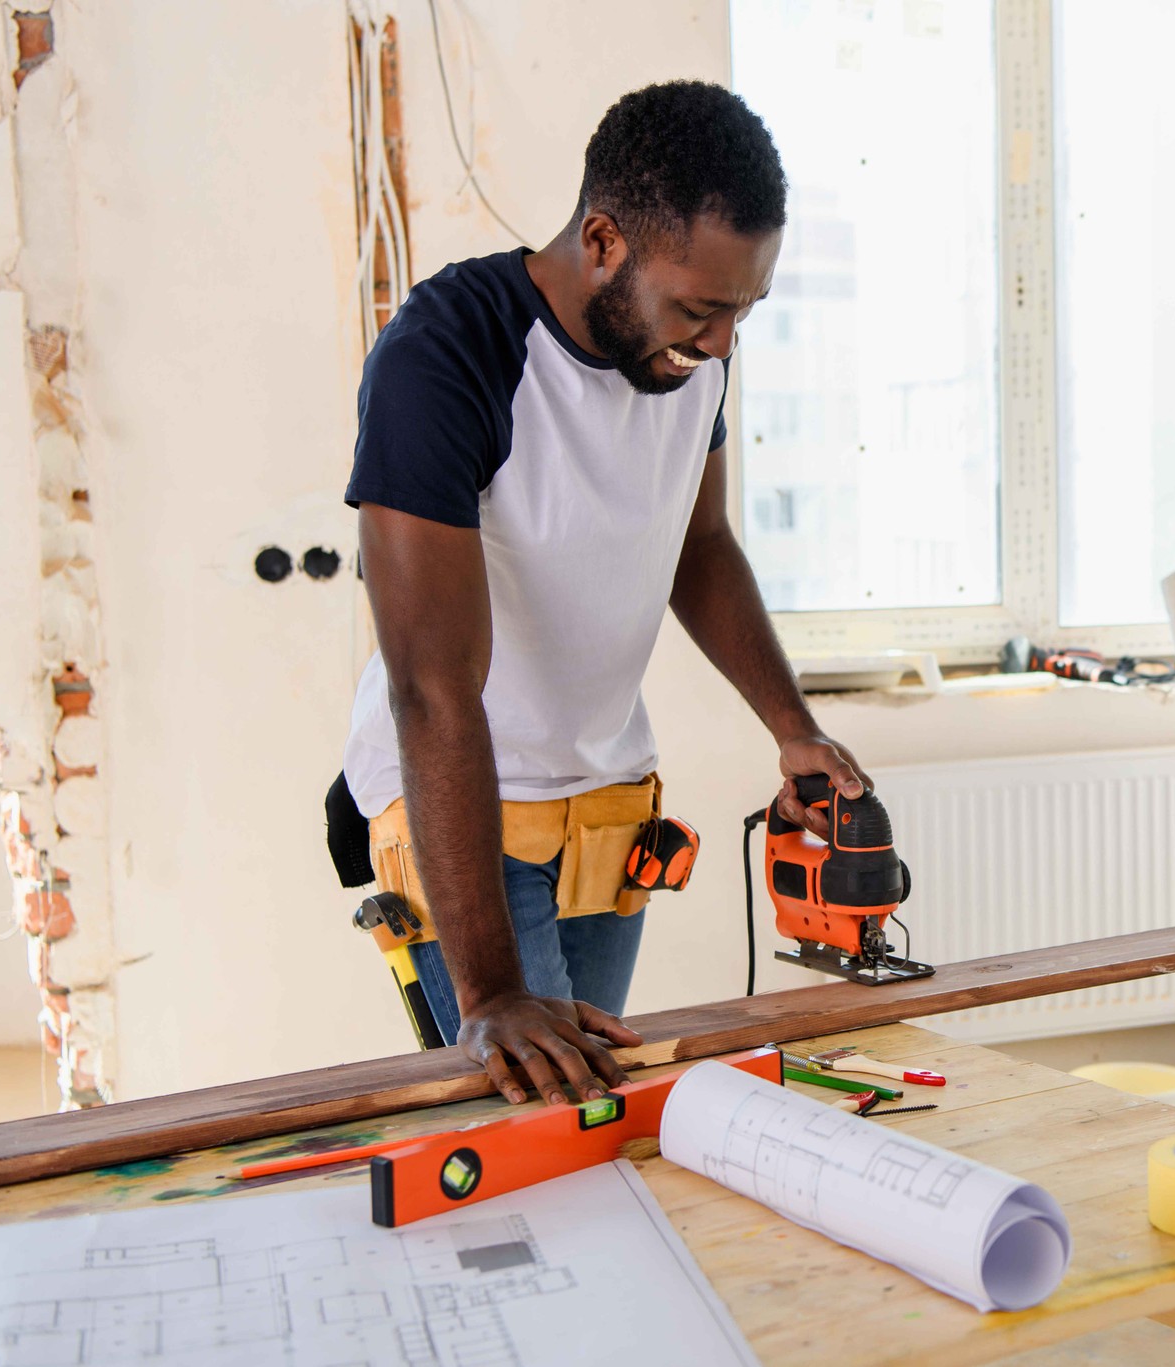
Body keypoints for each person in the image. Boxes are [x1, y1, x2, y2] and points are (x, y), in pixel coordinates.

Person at [337, 82, 869, 1110]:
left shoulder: (689, 361)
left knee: (590, 1109)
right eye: (702, 308)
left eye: (744, 311)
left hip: (605, 802)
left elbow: (698, 545)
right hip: (464, 803)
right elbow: (432, 687)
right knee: (535, 1115)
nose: (720, 344)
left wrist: (790, 725)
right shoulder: (448, 355)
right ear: (602, 238)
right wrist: (488, 989)